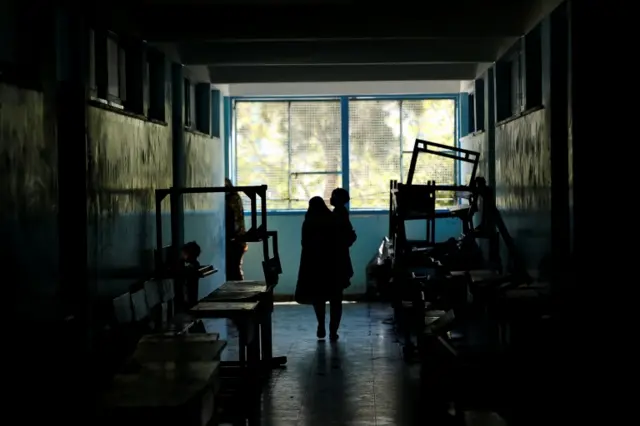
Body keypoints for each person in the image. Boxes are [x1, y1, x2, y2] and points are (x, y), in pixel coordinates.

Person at [295, 196, 343, 341]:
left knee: (318, 298)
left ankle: (321, 324)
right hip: (333, 266)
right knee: (336, 300)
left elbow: (304, 243)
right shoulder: (333, 219)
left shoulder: (308, 222)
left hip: (314, 266)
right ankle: (333, 331)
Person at [225, 178, 248, 281]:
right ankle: (239, 291)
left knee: (233, 269)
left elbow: (231, 219)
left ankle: (238, 292)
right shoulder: (235, 197)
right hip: (239, 239)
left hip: (235, 239)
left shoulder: (231, 199)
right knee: (235, 268)